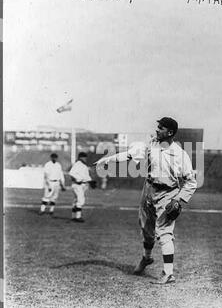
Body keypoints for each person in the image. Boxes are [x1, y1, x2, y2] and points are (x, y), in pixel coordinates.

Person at [95, 117, 197, 284]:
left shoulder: (180, 155)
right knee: (146, 228)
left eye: (161, 128)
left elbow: (191, 181)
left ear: (170, 132)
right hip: (148, 189)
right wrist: (107, 159)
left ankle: (168, 273)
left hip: (168, 193)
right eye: (158, 127)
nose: (157, 130)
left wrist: (179, 199)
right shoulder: (151, 145)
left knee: (164, 232)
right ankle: (147, 258)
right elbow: (129, 155)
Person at [69, 152, 93, 222]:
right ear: (80, 158)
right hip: (77, 184)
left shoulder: (84, 166)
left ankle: (73, 216)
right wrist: (77, 179)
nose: (85, 159)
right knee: (81, 200)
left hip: (82, 185)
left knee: (76, 200)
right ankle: (78, 217)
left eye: (85, 157)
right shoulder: (77, 164)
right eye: (84, 157)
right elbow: (71, 173)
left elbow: (86, 176)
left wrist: (91, 181)